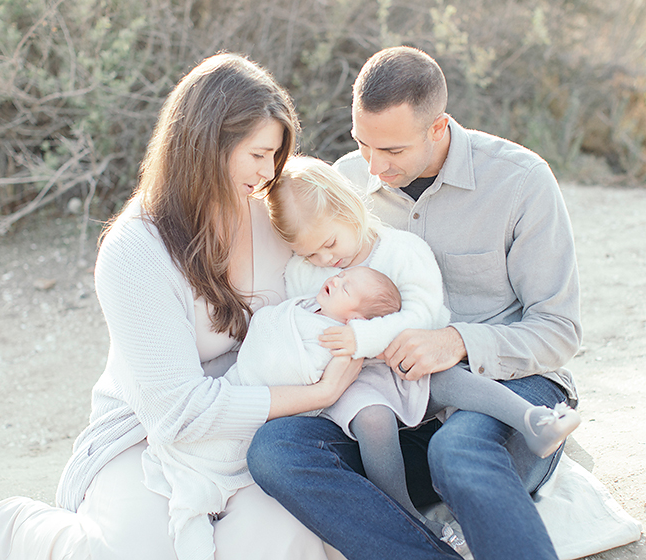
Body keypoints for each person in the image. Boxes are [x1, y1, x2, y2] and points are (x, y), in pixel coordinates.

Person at [0, 53, 363, 560]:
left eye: (275, 157)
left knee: (284, 541)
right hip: (145, 433)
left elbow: (347, 253)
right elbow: (177, 413)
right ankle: (23, 530)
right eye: (257, 154)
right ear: (207, 142)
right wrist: (318, 392)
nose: (267, 174)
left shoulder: (272, 217)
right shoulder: (135, 249)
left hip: (250, 433)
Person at [247, 46, 582, 560]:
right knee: (276, 452)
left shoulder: (520, 182)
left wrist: (455, 341)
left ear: (439, 127)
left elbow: (558, 329)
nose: (375, 169)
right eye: (364, 145)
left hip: (499, 386)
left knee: (459, 449)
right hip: (387, 399)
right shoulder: (340, 186)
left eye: (394, 152)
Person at [146, 265, 400, 560]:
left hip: (251, 417)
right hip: (233, 389)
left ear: (355, 320)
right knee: (191, 477)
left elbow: (289, 369)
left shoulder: (338, 346)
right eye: (342, 275)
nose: (336, 279)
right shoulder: (304, 307)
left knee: (194, 498)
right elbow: (266, 324)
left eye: (346, 287)